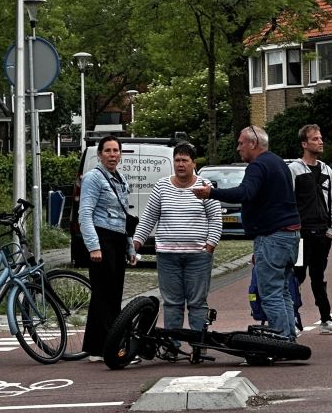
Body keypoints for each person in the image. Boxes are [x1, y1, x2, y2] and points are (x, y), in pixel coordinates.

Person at [193, 125, 300, 341]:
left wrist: (211, 193)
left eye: (241, 143)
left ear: (253, 143)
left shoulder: (258, 166)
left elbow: (245, 193)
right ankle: (289, 338)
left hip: (272, 236)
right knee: (282, 290)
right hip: (291, 236)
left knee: (270, 293)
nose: (238, 147)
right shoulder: (279, 163)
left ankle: (281, 341)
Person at [133, 142, 223, 361]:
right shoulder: (162, 186)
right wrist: (136, 242)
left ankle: (198, 345)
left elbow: (215, 219)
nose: (180, 164)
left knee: (197, 303)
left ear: (194, 163)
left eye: (185, 160)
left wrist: (209, 246)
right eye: (177, 160)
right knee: (172, 303)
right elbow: (149, 217)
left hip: (198, 256)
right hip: (167, 255)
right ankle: (171, 345)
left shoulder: (204, 186)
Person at [77, 135, 133, 361]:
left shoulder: (120, 178)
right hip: (102, 239)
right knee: (103, 295)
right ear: (99, 155)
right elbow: (85, 213)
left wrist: (129, 247)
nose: (112, 155)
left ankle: (96, 347)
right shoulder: (93, 178)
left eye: (116, 151)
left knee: (113, 294)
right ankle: (108, 348)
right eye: (108, 151)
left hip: (117, 240)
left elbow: (123, 216)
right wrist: (93, 246)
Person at [290, 123, 332, 334]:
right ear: (304, 144)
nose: (320, 142)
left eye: (320, 138)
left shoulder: (326, 170)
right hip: (301, 235)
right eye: (315, 139)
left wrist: (331, 230)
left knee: (318, 277)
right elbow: (289, 201)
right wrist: (293, 230)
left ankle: (326, 319)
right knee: (296, 276)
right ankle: (292, 320)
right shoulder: (294, 170)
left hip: (322, 234)